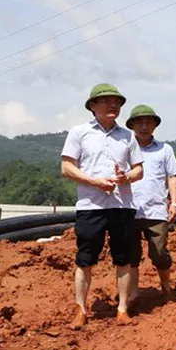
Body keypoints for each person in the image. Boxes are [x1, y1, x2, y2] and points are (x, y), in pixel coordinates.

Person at [60, 83, 144, 330]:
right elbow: (67, 167)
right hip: (91, 206)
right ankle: (81, 309)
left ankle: (122, 309)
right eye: (106, 101)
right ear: (92, 106)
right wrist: (95, 182)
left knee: (124, 259)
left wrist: (126, 177)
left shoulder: (128, 136)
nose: (113, 105)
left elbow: (139, 169)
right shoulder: (79, 132)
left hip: (122, 206)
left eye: (117, 102)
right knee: (85, 259)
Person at [125, 105, 176, 306]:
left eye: (149, 122)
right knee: (131, 255)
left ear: (155, 126)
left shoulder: (165, 149)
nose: (144, 126)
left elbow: (172, 177)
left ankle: (166, 286)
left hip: (156, 209)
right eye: (139, 122)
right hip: (129, 209)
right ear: (132, 125)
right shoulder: (124, 149)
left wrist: (174, 203)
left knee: (159, 252)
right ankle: (133, 295)